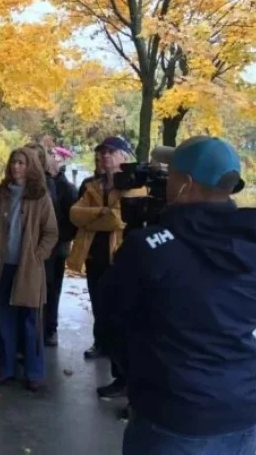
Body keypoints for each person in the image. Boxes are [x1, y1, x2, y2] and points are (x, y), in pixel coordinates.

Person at [97, 137, 256, 455]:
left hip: (171, 417)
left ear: (185, 184)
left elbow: (109, 324)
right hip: (242, 413)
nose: (163, 179)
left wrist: (140, 375)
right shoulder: (251, 242)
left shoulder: (148, 248)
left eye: (169, 173)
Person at [67, 136, 146, 398]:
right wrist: (102, 215)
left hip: (121, 262)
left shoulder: (135, 187)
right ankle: (118, 375)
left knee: (122, 321)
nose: (103, 157)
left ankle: (128, 380)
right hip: (94, 260)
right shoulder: (89, 185)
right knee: (104, 317)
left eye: (110, 152)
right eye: (100, 153)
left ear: (125, 156)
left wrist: (95, 217)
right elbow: (74, 215)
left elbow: (119, 220)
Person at [0, 148, 58, 392]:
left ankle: (34, 372)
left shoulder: (40, 196)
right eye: (13, 162)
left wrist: (37, 255)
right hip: (2, 266)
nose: (16, 167)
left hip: (29, 270)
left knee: (30, 322)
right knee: (5, 320)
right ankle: (6, 368)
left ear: (31, 166)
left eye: (22, 163)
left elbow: (51, 232)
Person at [43, 146, 79, 347]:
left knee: (53, 288)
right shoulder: (41, 183)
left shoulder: (67, 188)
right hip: (45, 246)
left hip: (57, 247)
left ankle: (51, 328)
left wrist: (56, 239)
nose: (51, 160)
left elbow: (71, 221)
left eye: (54, 157)